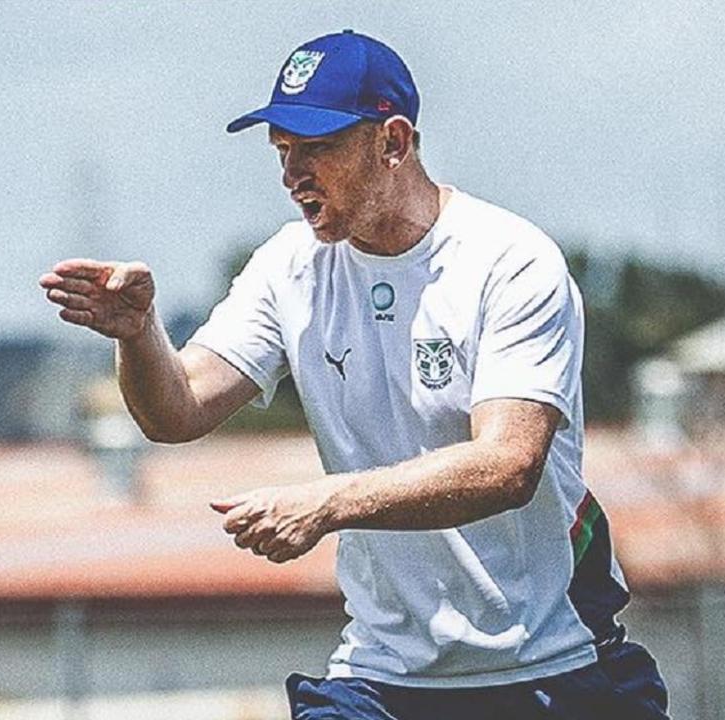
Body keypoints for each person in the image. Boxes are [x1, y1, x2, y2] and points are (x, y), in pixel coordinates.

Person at [40, 29, 668, 720]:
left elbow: (508, 465)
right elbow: (177, 411)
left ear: (393, 143)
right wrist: (138, 334)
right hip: (382, 677)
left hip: (549, 665)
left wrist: (328, 503)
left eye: (317, 148)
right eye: (282, 151)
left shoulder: (511, 261)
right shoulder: (289, 266)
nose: (291, 175)